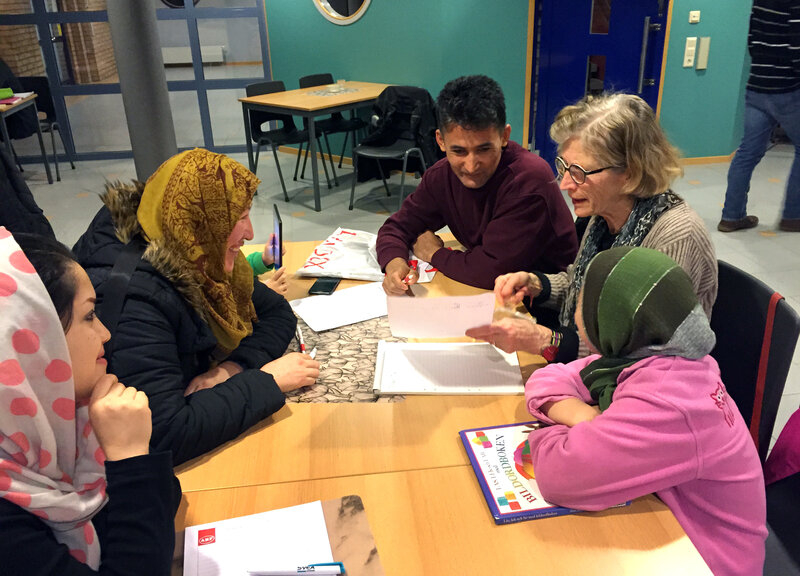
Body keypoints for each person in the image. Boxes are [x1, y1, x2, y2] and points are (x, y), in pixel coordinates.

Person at [525, 246, 766, 576]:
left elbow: (557, 475)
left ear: (614, 316)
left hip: (708, 560)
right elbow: (550, 377)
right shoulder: (649, 355)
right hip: (673, 531)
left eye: (584, 302)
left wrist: (553, 429)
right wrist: (583, 417)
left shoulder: (670, 399)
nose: (577, 313)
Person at [73, 149, 319, 466]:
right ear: (200, 218)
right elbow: (164, 434)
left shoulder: (191, 247)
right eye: (239, 218)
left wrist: (232, 368)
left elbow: (276, 312)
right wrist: (267, 381)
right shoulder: (134, 298)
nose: (250, 234)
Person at [467, 93, 717, 363]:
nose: (565, 184)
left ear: (630, 173)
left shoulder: (674, 236)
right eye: (563, 167)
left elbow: (646, 355)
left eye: (580, 173)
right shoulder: (604, 214)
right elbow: (584, 289)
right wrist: (537, 284)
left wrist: (546, 340)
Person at [0, 230, 179, 575]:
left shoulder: (62, 422)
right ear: (31, 340)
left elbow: (165, 493)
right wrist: (130, 459)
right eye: (88, 316)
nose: (105, 334)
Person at [376, 75, 577, 294]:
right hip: (491, 291)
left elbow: (490, 271)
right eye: (459, 151)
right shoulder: (440, 176)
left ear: (504, 136)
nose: (471, 166)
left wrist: (433, 253)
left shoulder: (528, 180)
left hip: (542, 303)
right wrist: (394, 263)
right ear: (440, 141)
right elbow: (396, 227)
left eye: (484, 149)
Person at [718, 0, 800, 233]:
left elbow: (753, 41)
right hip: (788, 90)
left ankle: (731, 216)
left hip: (757, 86)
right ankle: (793, 216)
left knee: (747, 153)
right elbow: (797, 47)